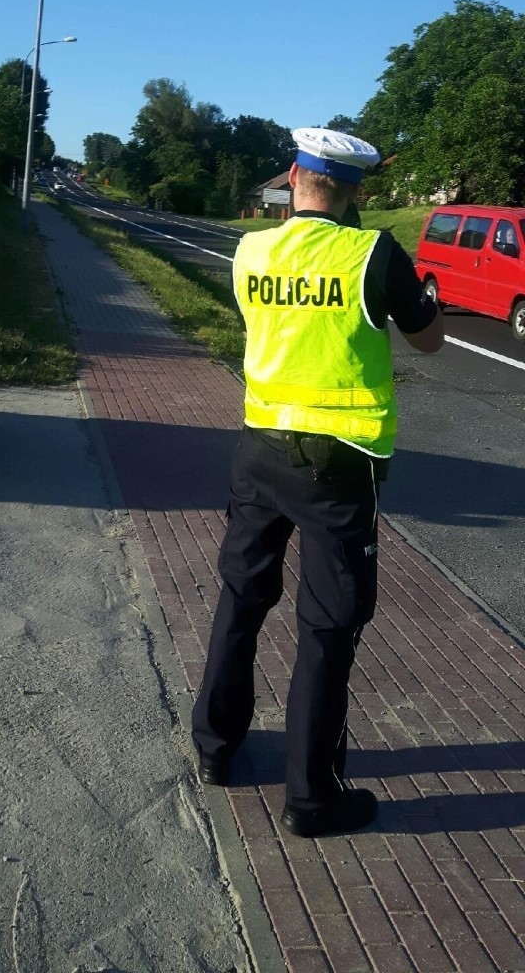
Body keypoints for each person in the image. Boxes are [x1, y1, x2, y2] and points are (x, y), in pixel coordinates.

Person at [192, 127, 444, 837]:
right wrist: (419, 295)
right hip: (339, 461)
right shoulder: (371, 253)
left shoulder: (252, 250)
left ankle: (215, 748)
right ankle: (312, 798)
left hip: (258, 445)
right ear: (355, 191)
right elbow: (429, 338)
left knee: (242, 595)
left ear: (296, 178)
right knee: (328, 625)